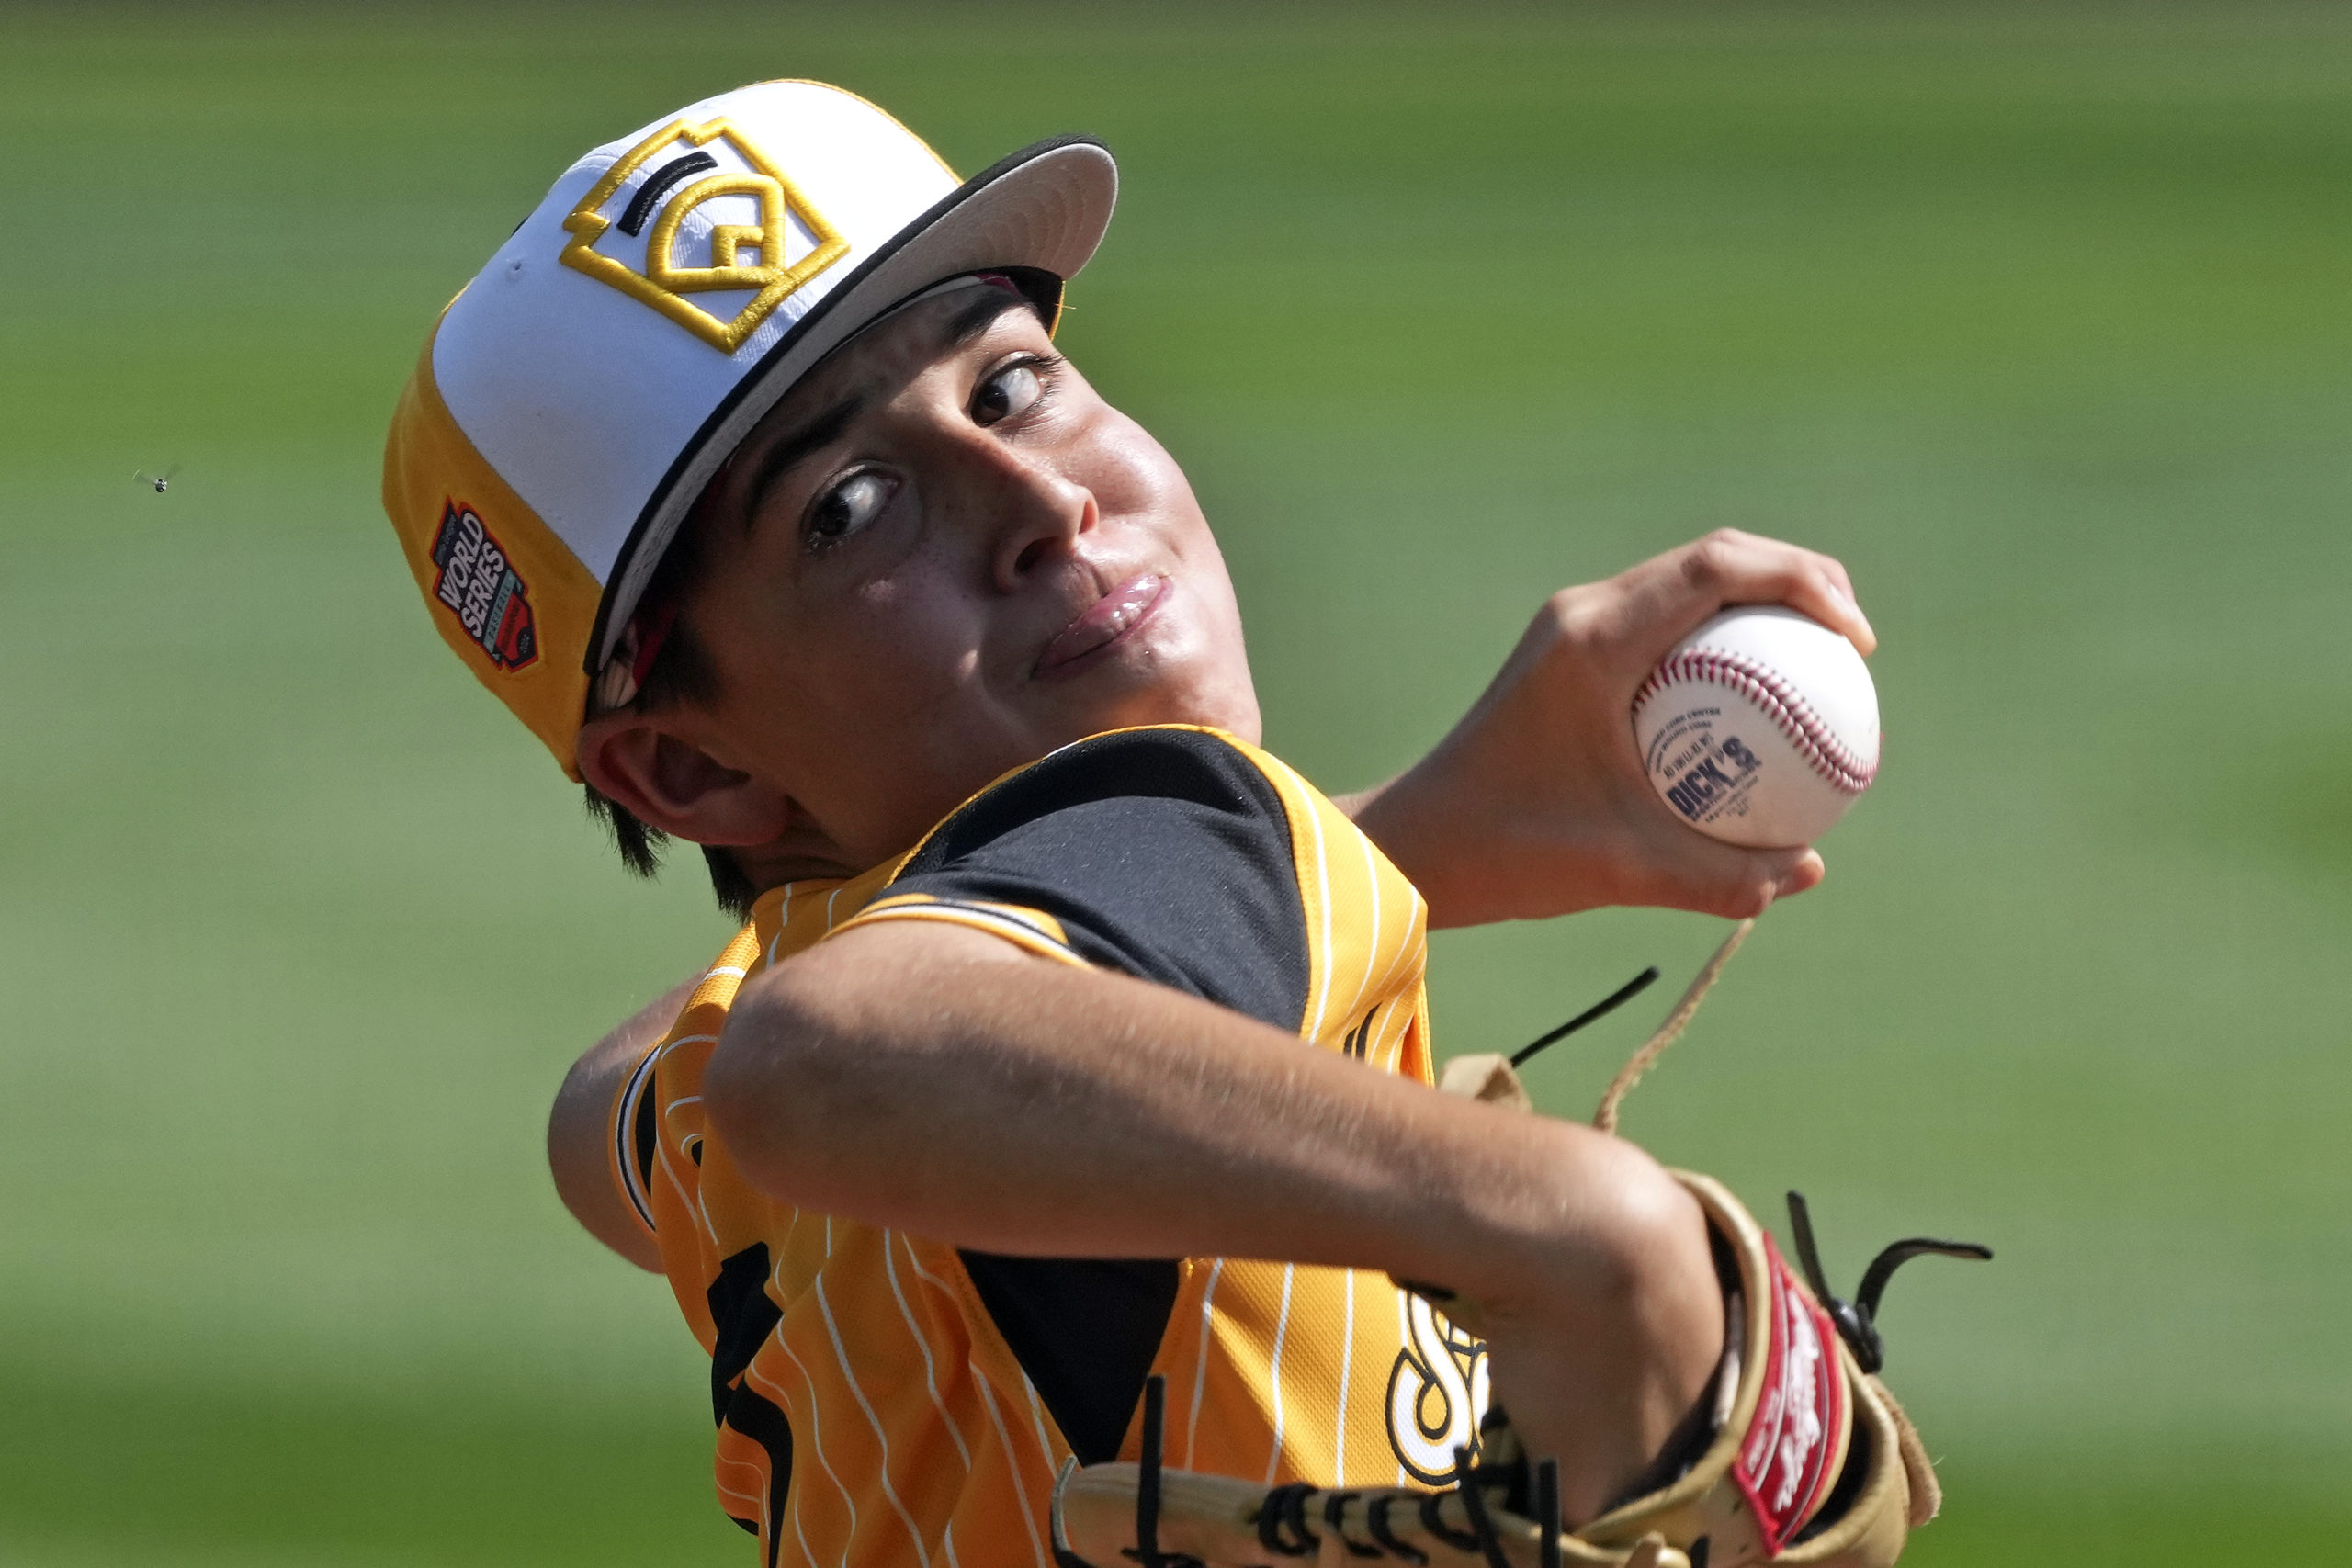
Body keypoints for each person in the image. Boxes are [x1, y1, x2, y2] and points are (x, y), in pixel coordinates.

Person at [384, 79, 1876, 1567]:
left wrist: (1395, 844)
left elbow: (618, 1105)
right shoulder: (1180, 830)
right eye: (848, 506)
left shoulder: (751, 1068)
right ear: (694, 776)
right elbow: (818, 1054)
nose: (1037, 499)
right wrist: (1580, 1226)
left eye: (1008, 384)